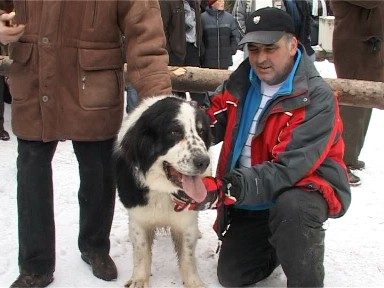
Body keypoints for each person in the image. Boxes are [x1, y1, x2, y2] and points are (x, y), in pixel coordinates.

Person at [171, 7, 351, 287]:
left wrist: (224, 189)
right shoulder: (242, 82)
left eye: (270, 48)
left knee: (293, 208)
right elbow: (210, 121)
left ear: (293, 45)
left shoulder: (316, 98)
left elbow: (287, 170)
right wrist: (178, 129)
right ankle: (279, 243)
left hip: (299, 190)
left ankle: (304, 274)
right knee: (232, 276)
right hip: (253, 193)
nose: (261, 58)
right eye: (254, 49)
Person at [0, 1, 171, 287]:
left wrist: (159, 99)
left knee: (99, 172)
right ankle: (35, 264)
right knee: (31, 175)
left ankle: (95, 245)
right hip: (34, 82)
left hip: (93, 85)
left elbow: (144, 29)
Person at [331, 0, 384, 186]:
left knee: (365, 103)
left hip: (368, 46)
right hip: (354, 48)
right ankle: (341, 162)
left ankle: (351, 156)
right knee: (353, 105)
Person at [159, 0, 208, 107]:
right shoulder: (168, 2)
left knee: (197, 85)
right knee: (177, 88)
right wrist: (168, 50)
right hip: (176, 51)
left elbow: (198, 25)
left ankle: (200, 114)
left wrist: (200, 45)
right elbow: (163, 28)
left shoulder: (195, 3)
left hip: (194, 48)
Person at [200, 0, 240, 69]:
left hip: (225, 61)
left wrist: (232, 50)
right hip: (207, 62)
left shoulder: (229, 18)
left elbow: (235, 36)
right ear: (212, 4)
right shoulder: (202, 18)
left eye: (223, 1)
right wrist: (203, 53)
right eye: (219, 1)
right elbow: (200, 38)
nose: (222, 3)